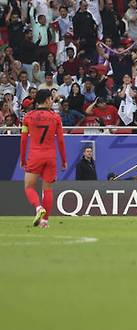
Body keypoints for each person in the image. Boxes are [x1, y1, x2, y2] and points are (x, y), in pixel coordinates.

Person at [20, 89, 67, 228]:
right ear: (47, 100)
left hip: (35, 155)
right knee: (47, 189)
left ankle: (38, 208)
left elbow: (23, 140)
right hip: (50, 156)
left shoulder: (28, 117)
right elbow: (60, 140)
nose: (52, 101)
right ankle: (45, 222)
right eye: (51, 99)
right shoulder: (56, 117)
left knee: (29, 187)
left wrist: (23, 158)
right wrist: (63, 159)